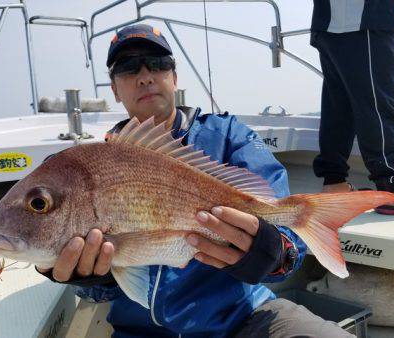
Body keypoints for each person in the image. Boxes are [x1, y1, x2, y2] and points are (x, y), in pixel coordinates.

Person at [37, 24, 354, 337]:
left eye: (158, 64)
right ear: (115, 89)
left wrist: (269, 251)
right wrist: (92, 277)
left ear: (174, 78)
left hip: (242, 319)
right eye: (129, 67)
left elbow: (288, 247)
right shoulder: (97, 166)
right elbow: (103, 292)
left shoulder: (228, 135)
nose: (145, 75)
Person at [311, 0, 394, 215]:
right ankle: (392, 185)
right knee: (377, 104)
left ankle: (334, 183)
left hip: (327, 23)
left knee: (338, 107)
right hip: (366, 20)